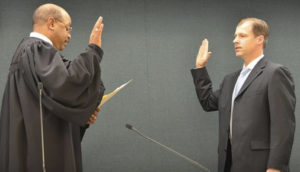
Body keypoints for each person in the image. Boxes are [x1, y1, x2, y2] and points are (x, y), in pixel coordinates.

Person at [0, 3, 105, 172]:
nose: (69, 35)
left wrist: (82, 116)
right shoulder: (36, 49)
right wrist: (93, 49)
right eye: (68, 28)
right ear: (51, 23)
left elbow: (51, 105)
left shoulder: (30, 53)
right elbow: (67, 84)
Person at [191, 18, 295, 172]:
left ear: (259, 39)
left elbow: (283, 126)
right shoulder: (230, 80)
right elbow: (208, 102)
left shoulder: (275, 73)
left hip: (261, 165)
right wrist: (200, 67)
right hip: (229, 164)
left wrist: (276, 167)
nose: (235, 40)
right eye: (235, 36)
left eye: (242, 36)